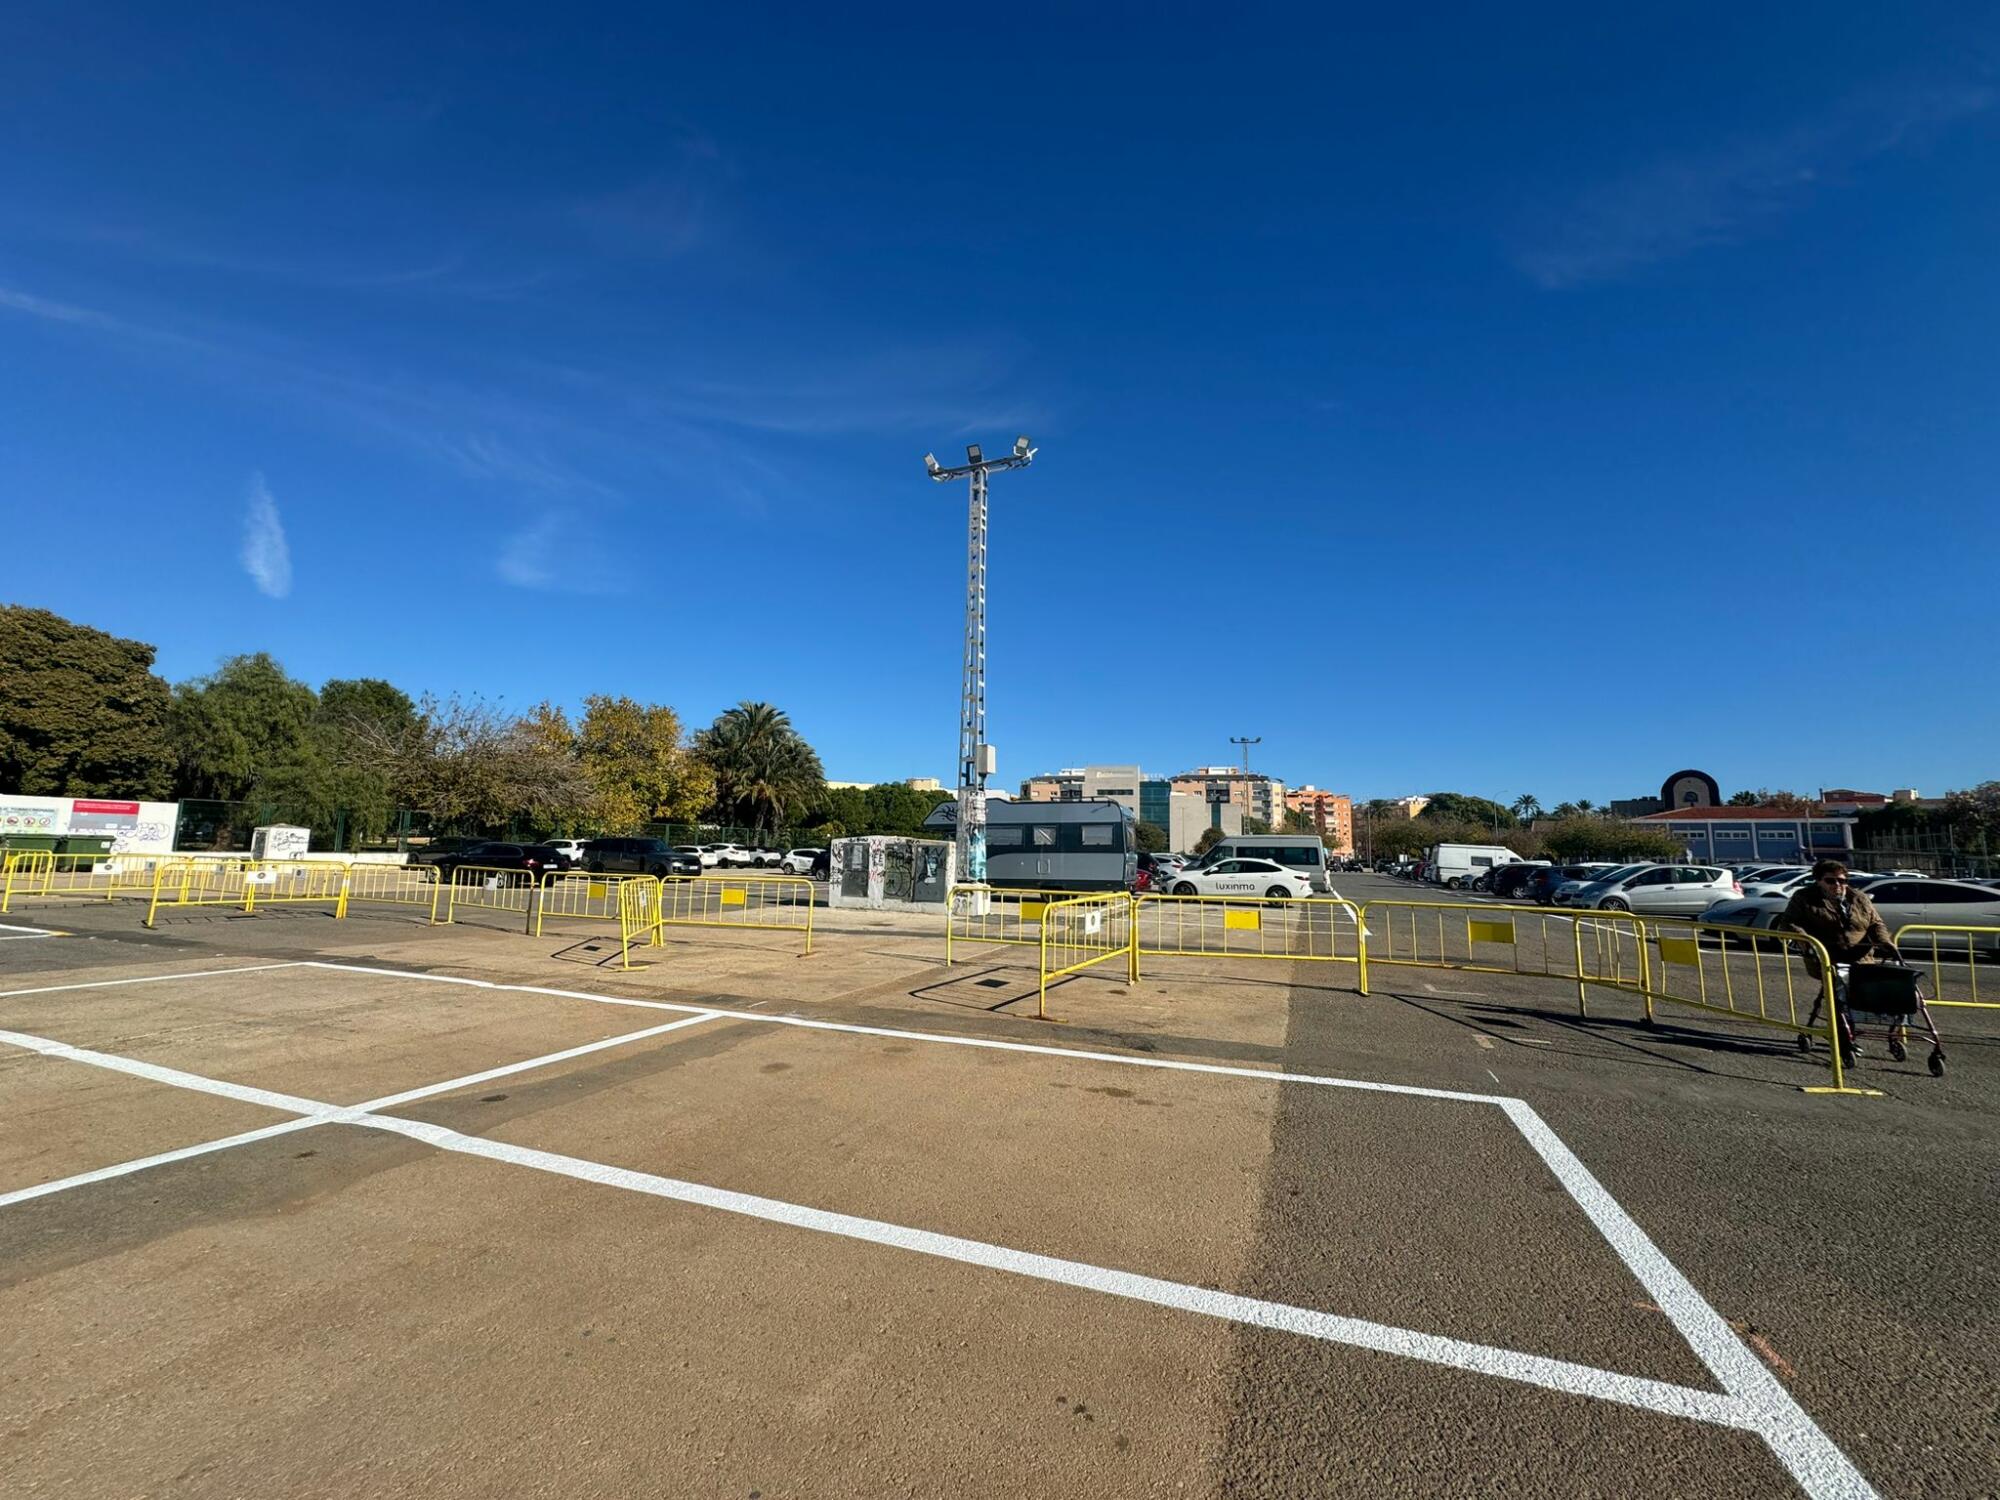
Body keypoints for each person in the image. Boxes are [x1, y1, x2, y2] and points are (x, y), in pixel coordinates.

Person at [1774, 858, 1896, 1058]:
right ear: (1818, 881)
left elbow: (1876, 924)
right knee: (1839, 995)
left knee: (1870, 994)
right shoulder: (1804, 897)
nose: (1837, 885)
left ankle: (1862, 1032)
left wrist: (1885, 942)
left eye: (1842, 880)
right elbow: (1788, 923)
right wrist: (1808, 942)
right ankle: (1844, 1040)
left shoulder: (1858, 898)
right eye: (1830, 881)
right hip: (1826, 958)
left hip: (1860, 959)